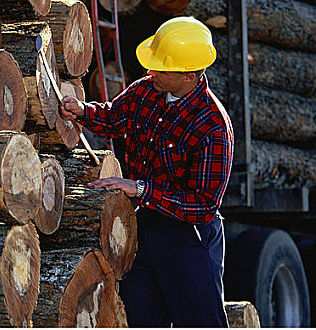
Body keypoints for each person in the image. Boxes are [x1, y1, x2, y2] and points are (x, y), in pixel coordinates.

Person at [60, 16, 234, 327]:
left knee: (200, 323)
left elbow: (203, 204)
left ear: (189, 77)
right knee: (139, 319)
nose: (150, 71)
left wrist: (141, 189)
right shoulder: (146, 91)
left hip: (188, 237)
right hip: (144, 231)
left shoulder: (213, 126)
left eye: (160, 67)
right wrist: (83, 112)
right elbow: (114, 117)